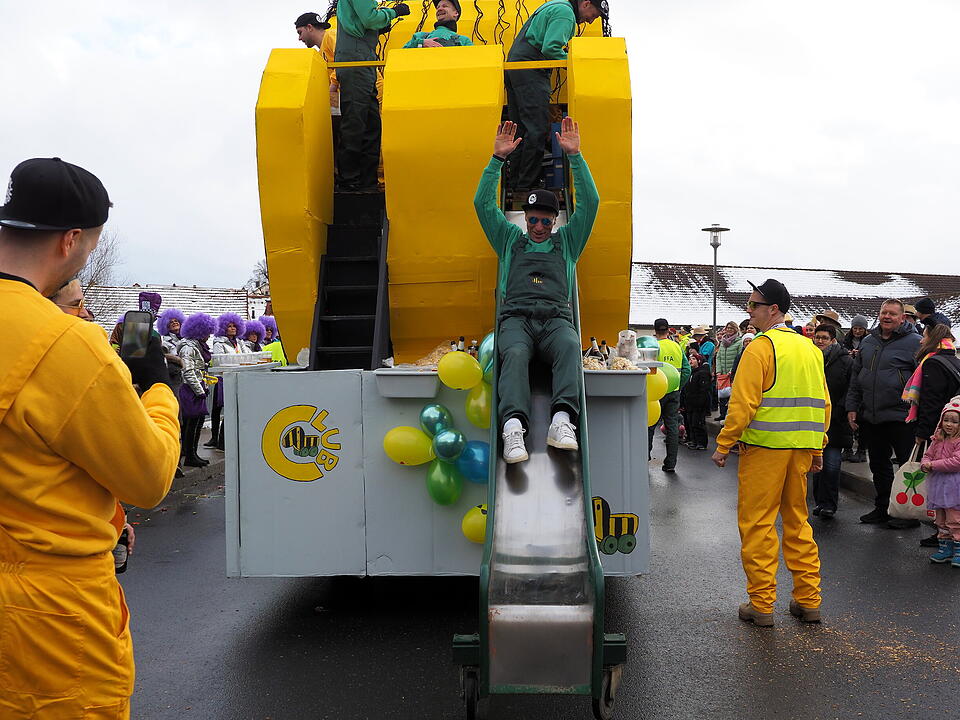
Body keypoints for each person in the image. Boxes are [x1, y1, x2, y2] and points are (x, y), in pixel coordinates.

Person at [0, 156, 180, 717]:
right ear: (71, 240)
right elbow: (147, 477)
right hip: (51, 621)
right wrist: (156, 389)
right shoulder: (64, 344)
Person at [474, 118, 598, 463]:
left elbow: (591, 204)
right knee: (512, 354)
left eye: (546, 220)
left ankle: (562, 422)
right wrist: (496, 160)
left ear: (555, 221)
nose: (539, 226)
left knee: (571, 346)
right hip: (517, 319)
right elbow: (483, 206)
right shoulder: (510, 240)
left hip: (557, 319)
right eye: (533, 220)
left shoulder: (569, 243)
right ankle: (513, 427)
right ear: (525, 220)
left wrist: (575, 157)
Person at [712, 279, 828, 627]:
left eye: (753, 305)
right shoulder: (810, 348)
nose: (748, 312)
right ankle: (808, 601)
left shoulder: (761, 348)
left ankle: (761, 605)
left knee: (758, 525)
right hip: (800, 451)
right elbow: (824, 403)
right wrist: (817, 447)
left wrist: (723, 444)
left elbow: (743, 403)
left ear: (773, 309)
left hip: (764, 450)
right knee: (797, 523)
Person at [504, 0, 607, 192]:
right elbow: (551, 48)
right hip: (531, 70)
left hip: (515, 68)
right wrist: (576, 63)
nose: (592, 20)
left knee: (519, 131)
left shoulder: (554, 6)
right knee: (537, 130)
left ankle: (515, 184)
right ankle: (528, 186)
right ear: (585, 3)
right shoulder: (565, 13)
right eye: (595, 13)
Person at [846, 299, 922, 528]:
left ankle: (908, 516)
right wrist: (852, 407)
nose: (887, 317)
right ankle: (883, 509)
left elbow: (924, 380)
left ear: (902, 317)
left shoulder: (916, 343)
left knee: (907, 468)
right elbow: (856, 378)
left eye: (892, 314)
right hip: (872, 416)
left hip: (903, 418)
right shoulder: (869, 342)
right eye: (883, 313)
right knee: (878, 466)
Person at [334, 0, 410, 192]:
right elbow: (369, 19)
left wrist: (381, 22)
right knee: (356, 122)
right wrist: (393, 12)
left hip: (364, 63)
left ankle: (367, 181)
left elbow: (362, 23)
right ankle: (349, 180)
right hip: (356, 62)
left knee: (371, 124)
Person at [811, 323, 853, 518]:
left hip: (835, 421)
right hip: (814, 420)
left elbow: (850, 388)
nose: (820, 341)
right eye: (817, 337)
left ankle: (829, 504)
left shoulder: (845, 361)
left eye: (824, 338)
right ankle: (819, 501)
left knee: (832, 465)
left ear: (833, 340)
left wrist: (841, 410)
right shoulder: (809, 358)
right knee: (816, 465)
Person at [919, 398, 960, 566]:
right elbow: (928, 455)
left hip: (954, 487)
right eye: (946, 420)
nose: (949, 424)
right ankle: (945, 548)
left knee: (955, 519)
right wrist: (924, 464)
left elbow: (956, 462)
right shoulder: (937, 440)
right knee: (940, 519)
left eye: (955, 421)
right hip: (938, 486)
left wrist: (933, 465)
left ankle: (958, 549)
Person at [648, 317, 690, 472]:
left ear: (655, 330)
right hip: (673, 391)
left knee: (650, 424)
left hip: (655, 392)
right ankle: (670, 463)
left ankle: (645, 456)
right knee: (672, 426)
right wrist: (678, 385)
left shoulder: (653, 347)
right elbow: (687, 370)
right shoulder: (677, 346)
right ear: (668, 330)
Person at [178, 313, 216, 468]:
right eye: (207, 332)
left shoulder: (197, 346)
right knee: (191, 423)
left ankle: (192, 453)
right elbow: (188, 371)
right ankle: (189, 454)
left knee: (198, 421)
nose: (208, 336)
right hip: (190, 389)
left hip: (197, 387)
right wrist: (199, 390)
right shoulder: (188, 348)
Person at [209, 313, 248, 451]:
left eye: (234, 326)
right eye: (229, 326)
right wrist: (238, 361)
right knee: (227, 409)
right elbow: (219, 360)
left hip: (238, 377)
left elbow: (247, 357)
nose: (232, 328)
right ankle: (220, 441)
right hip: (225, 378)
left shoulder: (240, 342)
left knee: (233, 409)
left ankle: (225, 440)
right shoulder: (218, 343)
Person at [296, 12, 340, 108]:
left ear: (309, 27)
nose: (299, 38)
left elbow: (345, 58)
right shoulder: (320, 54)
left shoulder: (331, 35)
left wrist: (333, 86)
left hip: (372, 93)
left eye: (300, 32)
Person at [403, 0, 473, 47]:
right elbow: (401, 55)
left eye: (445, 6)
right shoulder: (419, 36)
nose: (439, 9)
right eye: (438, 7)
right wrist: (421, 43)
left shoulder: (464, 40)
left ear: (456, 13)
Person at [714, 320, 742, 421]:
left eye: (731, 328)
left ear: (735, 329)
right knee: (722, 394)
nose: (729, 330)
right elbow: (719, 357)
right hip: (723, 373)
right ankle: (722, 414)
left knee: (732, 395)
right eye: (727, 328)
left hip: (733, 372)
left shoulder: (739, 342)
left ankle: (730, 415)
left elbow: (739, 357)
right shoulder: (722, 342)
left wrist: (732, 370)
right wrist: (718, 370)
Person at [683, 352, 711, 450]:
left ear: (698, 361)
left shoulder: (702, 373)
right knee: (691, 423)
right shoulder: (691, 373)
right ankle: (694, 441)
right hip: (690, 403)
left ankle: (701, 443)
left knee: (698, 423)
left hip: (699, 404)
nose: (691, 361)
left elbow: (704, 390)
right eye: (690, 359)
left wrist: (700, 402)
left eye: (693, 359)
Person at [157, 308, 186, 391]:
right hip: (174, 379)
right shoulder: (165, 343)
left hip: (187, 380)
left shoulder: (187, 340)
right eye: (171, 322)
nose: (174, 323)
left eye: (176, 321)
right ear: (166, 326)